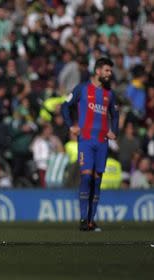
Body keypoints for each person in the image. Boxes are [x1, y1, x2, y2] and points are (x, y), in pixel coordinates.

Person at [61, 57, 119, 231]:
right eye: (107, 70)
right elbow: (65, 106)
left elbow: (115, 114)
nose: (110, 74)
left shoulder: (110, 94)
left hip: (102, 141)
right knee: (86, 176)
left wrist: (113, 131)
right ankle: (82, 219)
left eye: (110, 71)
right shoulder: (82, 89)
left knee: (96, 180)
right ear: (98, 71)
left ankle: (91, 221)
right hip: (86, 140)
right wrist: (71, 125)